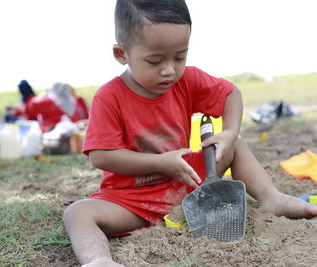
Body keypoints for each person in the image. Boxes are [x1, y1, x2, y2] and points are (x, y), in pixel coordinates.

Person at [62, 1, 317, 266]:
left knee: (234, 145)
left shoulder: (186, 81)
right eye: (155, 60)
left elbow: (231, 94)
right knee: (78, 213)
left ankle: (271, 198)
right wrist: (161, 163)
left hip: (191, 184)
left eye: (179, 57)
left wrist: (228, 134)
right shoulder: (109, 97)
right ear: (121, 54)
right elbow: (102, 157)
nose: (169, 70)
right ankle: (99, 260)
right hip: (133, 200)